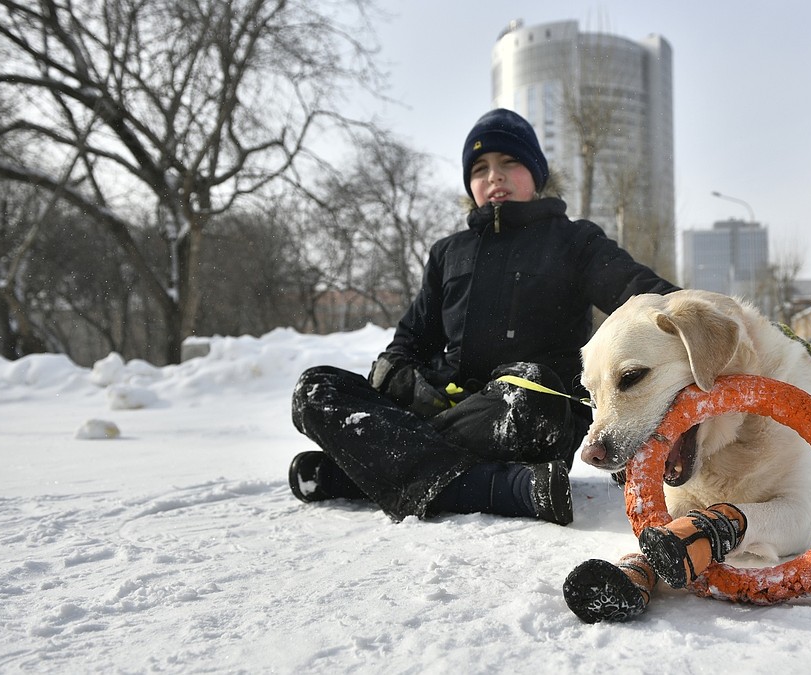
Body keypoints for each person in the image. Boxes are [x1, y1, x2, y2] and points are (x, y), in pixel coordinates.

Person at [288, 108, 679, 525]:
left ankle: (360, 470)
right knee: (314, 389)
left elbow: (641, 292)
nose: (495, 176)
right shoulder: (447, 253)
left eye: (510, 162)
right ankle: (500, 487)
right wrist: (408, 380)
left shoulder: (574, 242)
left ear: (536, 173)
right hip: (449, 411)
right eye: (480, 168)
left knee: (533, 390)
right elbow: (407, 343)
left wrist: (698, 315)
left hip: (532, 412)